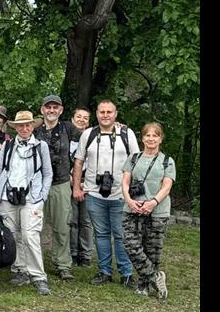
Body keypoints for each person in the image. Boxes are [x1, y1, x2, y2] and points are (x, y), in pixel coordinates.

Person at [72, 100, 140, 287]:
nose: (105, 115)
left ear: (115, 114)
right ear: (97, 114)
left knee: (121, 235)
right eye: (102, 112)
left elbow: (136, 160)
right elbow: (79, 161)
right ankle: (104, 271)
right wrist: (77, 187)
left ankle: (126, 273)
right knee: (101, 234)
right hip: (94, 193)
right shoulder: (88, 134)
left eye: (109, 112)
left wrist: (133, 190)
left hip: (121, 193)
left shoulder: (126, 133)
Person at [0, 110, 53, 295]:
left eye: (27, 125)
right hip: (7, 196)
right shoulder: (8, 145)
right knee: (13, 234)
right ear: (15, 127)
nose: (24, 128)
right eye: (20, 126)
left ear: (32, 126)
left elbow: (48, 173)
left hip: (31, 196)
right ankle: (20, 270)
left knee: (30, 235)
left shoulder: (41, 146)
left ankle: (38, 276)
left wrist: (42, 195)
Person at [121, 123, 176, 298]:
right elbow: (125, 182)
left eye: (155, 135)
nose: (151, 139)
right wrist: (129, 200)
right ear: (142, 138)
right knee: (131, 245)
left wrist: (153, 202)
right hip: (133, 208)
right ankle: (155, 276)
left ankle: (143, 284)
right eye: (147, 135)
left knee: (152, 250)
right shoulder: (133, 158)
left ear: (160, 138)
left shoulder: (167, 161)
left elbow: (167, 186)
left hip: (157, 211)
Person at [34, 94, 82, 281]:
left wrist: (116, 128)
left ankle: (63, 265)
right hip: (37, 185)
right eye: (48, 107)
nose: (51, 110)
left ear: (61, 110)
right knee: (35, 226)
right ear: (42, 109)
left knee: (62, 226)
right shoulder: (35, 130)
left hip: (61, 183)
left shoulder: (69, 129)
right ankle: (34, 264)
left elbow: (87, 147)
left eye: (55, 107)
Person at [69, 107, 93, 266]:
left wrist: (85, 182)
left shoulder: (94, 139)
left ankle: (85, 254)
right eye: (78, 116)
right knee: (71, 219)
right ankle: (72, 252)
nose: (81, 120)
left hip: (88, 184)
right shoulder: (66, 138)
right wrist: (71, 180)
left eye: (85, 118)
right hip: (69, 182)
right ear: (72, 119)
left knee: (86, 220)